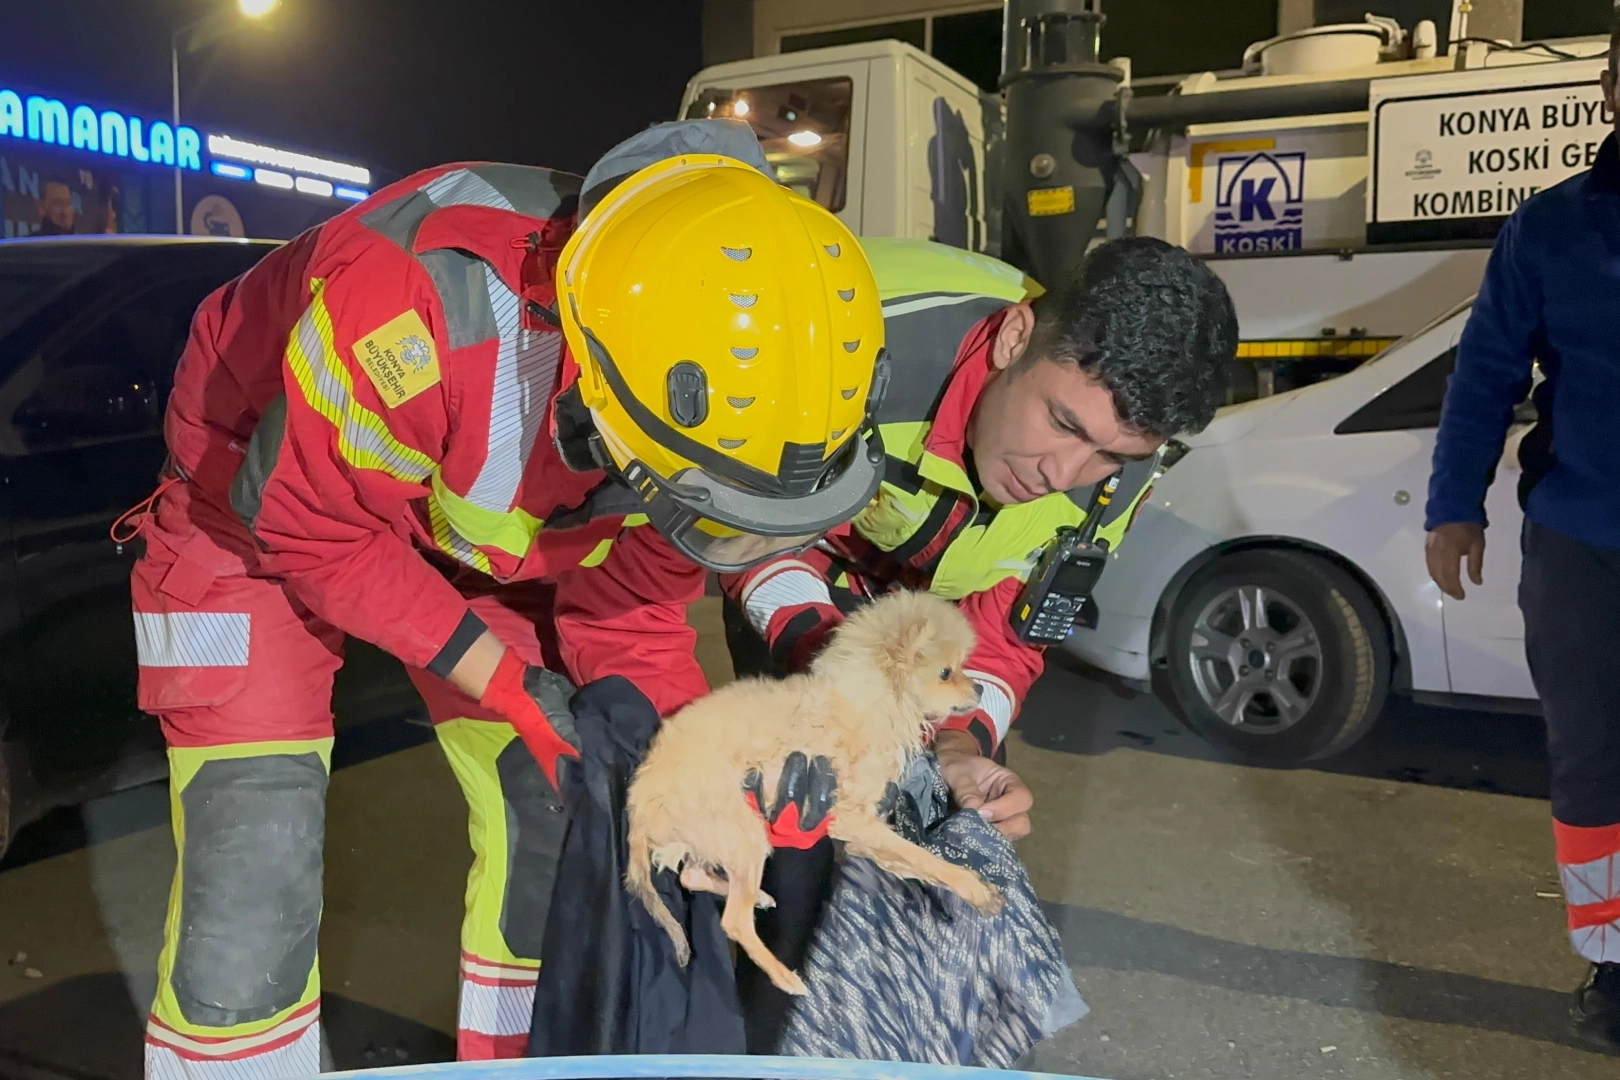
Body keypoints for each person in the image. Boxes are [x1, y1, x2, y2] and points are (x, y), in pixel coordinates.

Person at [127, 120, 885, 1080]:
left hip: (472, 529)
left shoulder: (708, 394)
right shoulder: (412, 306)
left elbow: (634, 623)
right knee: (255, 848)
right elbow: (307, 528)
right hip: (256, 505)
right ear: (598, 391)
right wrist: (508, 680)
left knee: (559, 813)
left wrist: (699, 774)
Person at [720, 234, 1237, 1049]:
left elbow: (1010, 628)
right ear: (1013, 338)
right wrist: (842, 685)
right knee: (786, 828)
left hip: (930, 614)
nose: (1064, 471)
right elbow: (755, 543)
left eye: (1110, 454)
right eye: (1062, 422)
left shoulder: (1119, 469)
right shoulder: (847, 345)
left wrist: (959, 745)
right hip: (804, 562)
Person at [1424, 25, 1620, 1056]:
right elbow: (1485, 372)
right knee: (1593, 771)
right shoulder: (1547, 231)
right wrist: (1454, 504)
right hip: (1581, 546)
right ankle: (1615, 964)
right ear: (1610, 85)